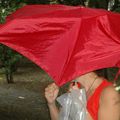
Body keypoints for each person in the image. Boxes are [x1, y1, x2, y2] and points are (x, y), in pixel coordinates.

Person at [45, 70, 120, 120]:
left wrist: (78, 104)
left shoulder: (109, 93)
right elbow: (62, 118)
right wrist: (51, 103)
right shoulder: (75, 87)